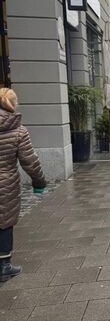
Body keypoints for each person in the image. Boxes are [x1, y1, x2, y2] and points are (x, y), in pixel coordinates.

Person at [0, 88, 46, 282]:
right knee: (4, 221)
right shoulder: (18, 130)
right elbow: (30, 161)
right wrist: (39, 182)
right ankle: (4, 266)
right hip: (6, 183)